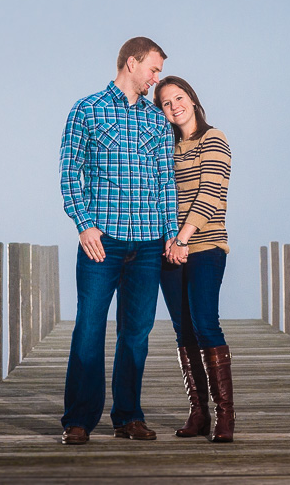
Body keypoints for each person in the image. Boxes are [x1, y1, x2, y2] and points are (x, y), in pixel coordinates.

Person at [58, 37, 179, 445]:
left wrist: (169, 233)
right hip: (101, 241)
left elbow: (166, 183)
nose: (156, 78)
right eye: (154, 69)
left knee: (136, 334)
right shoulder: (86, 110)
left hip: (147, 244)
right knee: (89, 329)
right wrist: (84, 224)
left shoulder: (157, 121)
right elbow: (68, 172)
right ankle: (78, 420)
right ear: (132, 62)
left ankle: (128, 417)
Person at [155, 76, 235, 443]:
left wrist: (184, 238)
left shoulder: (214, 139)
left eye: (179, 97)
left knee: (205, 323)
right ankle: (198, 412)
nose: (174, 106)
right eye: (166, 103)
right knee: (182, 330)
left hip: (204, 248)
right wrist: (170, 242)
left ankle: (225, 416)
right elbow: (159, 198)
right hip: (169, 252)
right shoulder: (165, 148)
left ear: (192, 99)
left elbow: (211, 194)